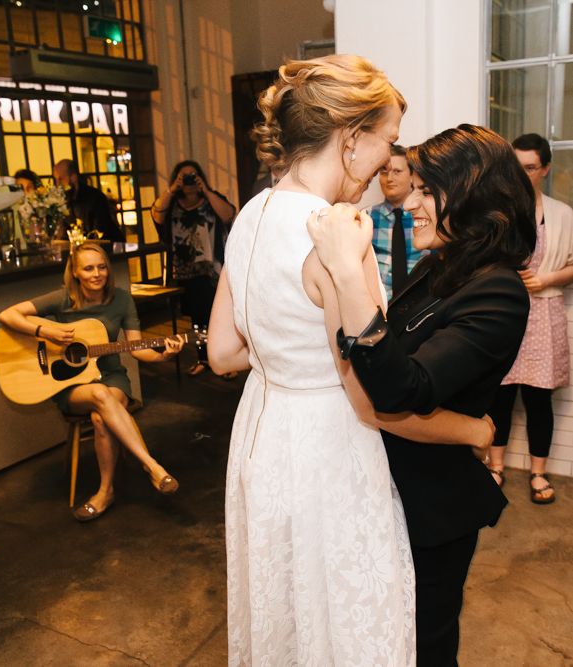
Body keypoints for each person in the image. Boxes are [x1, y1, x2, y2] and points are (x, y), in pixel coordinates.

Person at [208, 57, 496, 665]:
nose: (386, 162)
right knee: (341, 615)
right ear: (350, 137)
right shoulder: (339, 234)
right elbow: (372, 401)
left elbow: (224, 353)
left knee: (284, 606)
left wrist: (285, 365)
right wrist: (471, 429)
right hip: (330, 449)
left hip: (261, 437)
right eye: (387, 141)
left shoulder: (248, 217)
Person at [306, 124, 536, 666]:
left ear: (475, 194)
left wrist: (345, 270)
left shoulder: (499, 290)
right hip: (389, 484)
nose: (410, 202)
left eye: (426, 190)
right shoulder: (443, 263)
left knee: (423, 645)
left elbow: (400, 388)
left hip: (433, 502)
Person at [0, 242, 184, 521]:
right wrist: (45, 330)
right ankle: (153, 466)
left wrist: (162, 357)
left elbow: (134, 347)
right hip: (70, 385)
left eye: (101, 267)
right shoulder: (62, 299)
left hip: (112, 377)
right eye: (88, 268)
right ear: (75, 273)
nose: (97, 274)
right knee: (98, 395)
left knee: (100, 417)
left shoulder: (121, 300)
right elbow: (7, 315)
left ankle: (105, 492)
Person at [488, 133, 573, 504]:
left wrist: (547, 279)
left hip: (545, 315)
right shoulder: (498, 213)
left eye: (531, 167)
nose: (523, 175)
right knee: (499, 397)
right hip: (504, 315)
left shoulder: (563, 215)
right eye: (516, 167)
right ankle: (496, 466)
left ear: (545, 169)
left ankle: (538, 473)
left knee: (539, 402)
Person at [151, 160, 235, 377]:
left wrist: (205, 191)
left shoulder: (211, 198)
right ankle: (204, 358)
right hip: (185, 272)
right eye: (184, 176)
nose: (188, 180)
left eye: (193, 176)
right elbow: (156, 213)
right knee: (197, 319)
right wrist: (172, 189)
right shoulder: (172, 204)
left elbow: (228, 214)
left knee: (220, 316)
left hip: (212, 271)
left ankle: (225, 361)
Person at [370, 144, 427, 300]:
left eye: (397, 172)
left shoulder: (425, 215)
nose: (389, 179)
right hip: (381, 306)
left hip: (419, 302)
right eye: (384, 172)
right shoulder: (367, 218)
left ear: (411, 176)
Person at [53, 159, 124, 242]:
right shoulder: (64, 200)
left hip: (104, 245)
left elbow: (98, 232)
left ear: (73, 177)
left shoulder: (94, 197)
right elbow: (63, 231)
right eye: (56, 179)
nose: (57, 184)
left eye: (60, 179)